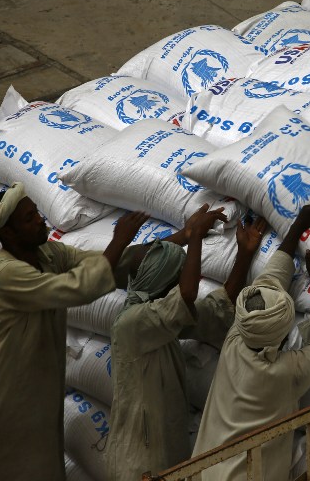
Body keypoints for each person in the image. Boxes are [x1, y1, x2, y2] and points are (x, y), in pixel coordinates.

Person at [0, 182, 149, 481]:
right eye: (29, 218)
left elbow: (102, 263)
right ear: (9, 234)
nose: (40, 220)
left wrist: (183, 239)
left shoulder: (48, 254)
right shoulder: (6, 275)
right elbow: (78, 287)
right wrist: (119, 239)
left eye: (37, 213)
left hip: (26, 410)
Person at [106, 205, 267, 480]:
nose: (185, 280)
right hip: (137, 463)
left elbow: (217, 308)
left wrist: (244, 254)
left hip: (163, 455)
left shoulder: (162, 319)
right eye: (178, 277)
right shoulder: (132, 324)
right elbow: (187, 294)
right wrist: (195, 238)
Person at [191, 203, 310, 481]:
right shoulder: (284, 371)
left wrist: (297, 227)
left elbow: (269, 280)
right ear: (283, 332)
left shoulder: (237, 338)